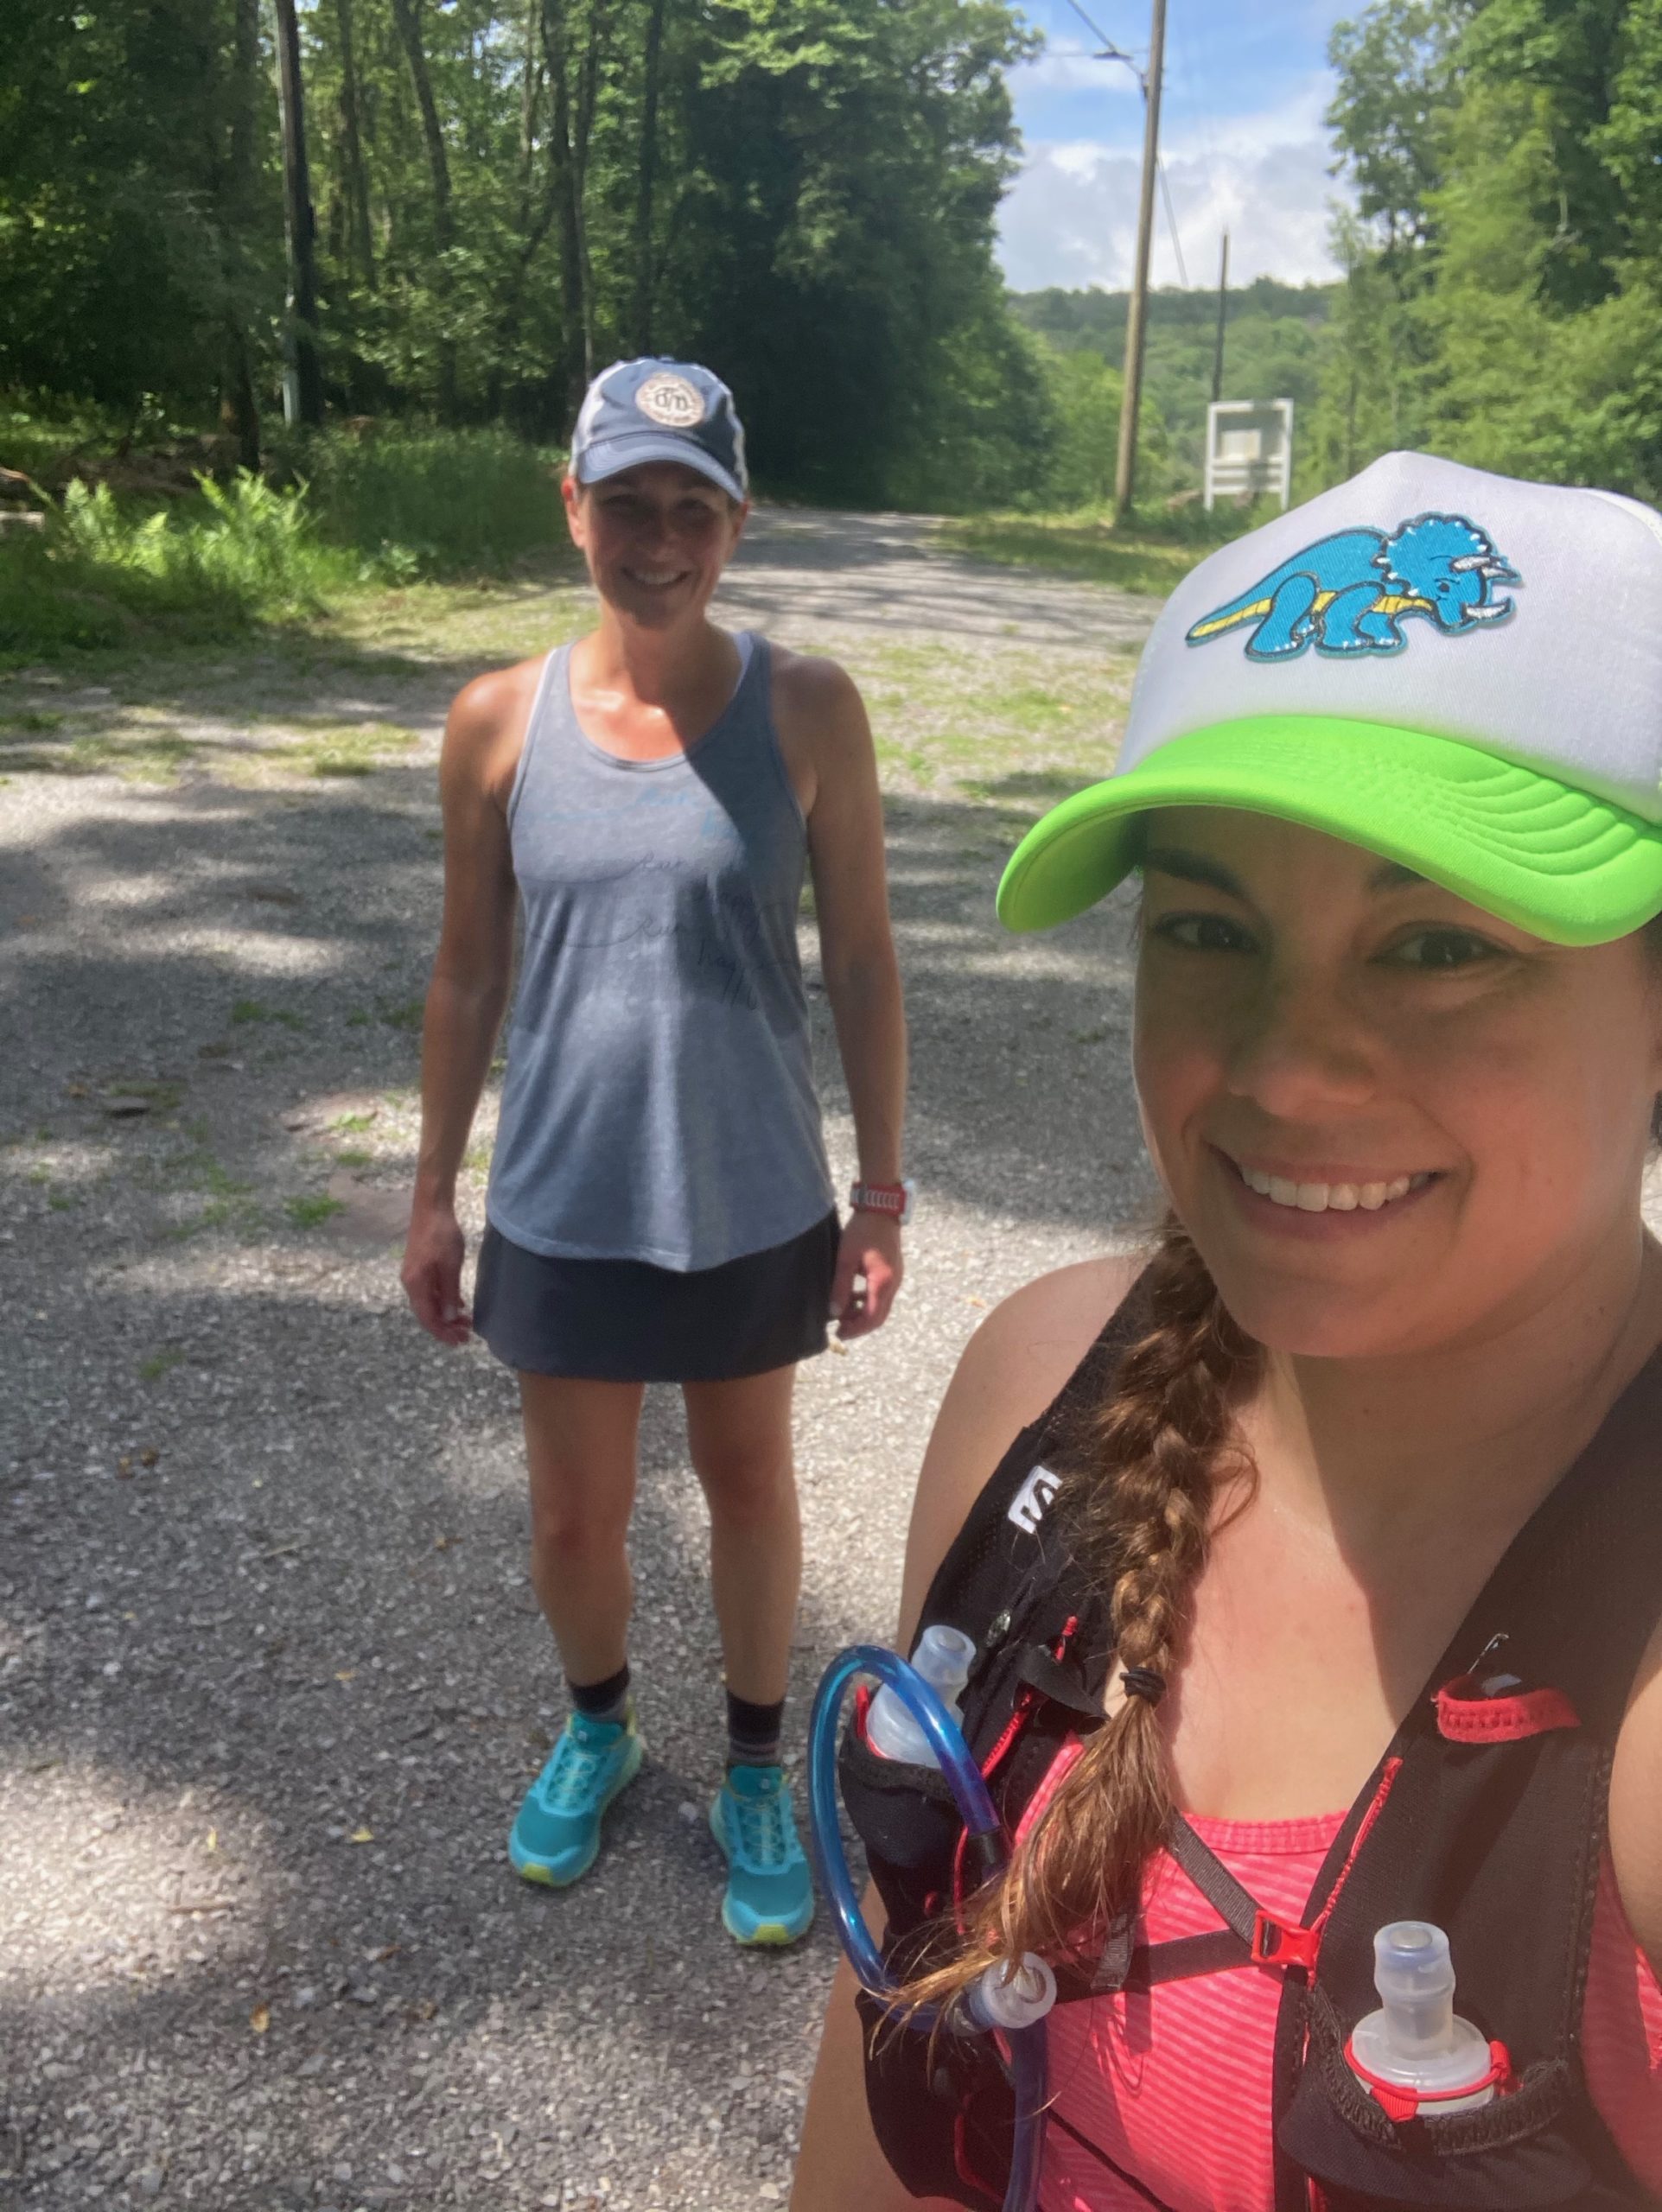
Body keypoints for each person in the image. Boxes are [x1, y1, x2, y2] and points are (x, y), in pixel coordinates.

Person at [793, 451, 1662, 2207]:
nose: (1282, 1066)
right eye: (1207, 926)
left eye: (1438, 947)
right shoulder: (1043, 1387)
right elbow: (902, 2013)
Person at [400, 357, 908, 1947]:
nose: (662, 540)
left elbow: (866, 960)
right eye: (630, 503)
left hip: (749, 1189)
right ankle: (601, 1727)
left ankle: (755, 1763)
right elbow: (467, 973)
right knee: (575, 1518)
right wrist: (431, 1195)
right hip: (565, 1191)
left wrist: (881, 1193)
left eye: (695, 508)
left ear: (738, 526)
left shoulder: (809, 709)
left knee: (748, 1483)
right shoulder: (496, 722)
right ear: (575, 509)